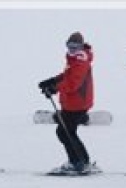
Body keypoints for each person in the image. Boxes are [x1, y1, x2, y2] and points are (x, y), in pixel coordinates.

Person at [38, 31, 97, 174]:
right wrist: (53, 81)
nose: (71, 49)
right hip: (73, 103)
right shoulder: (75, 58)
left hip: (77, 104)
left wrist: (55, 88)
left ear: (81, 46)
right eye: (69, 46)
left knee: (65, 132)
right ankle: (83, 161)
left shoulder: (81, 60)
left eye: (75, 46)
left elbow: (73, 82)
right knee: (67, 132)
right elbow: (67, 76)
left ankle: (77, 163)